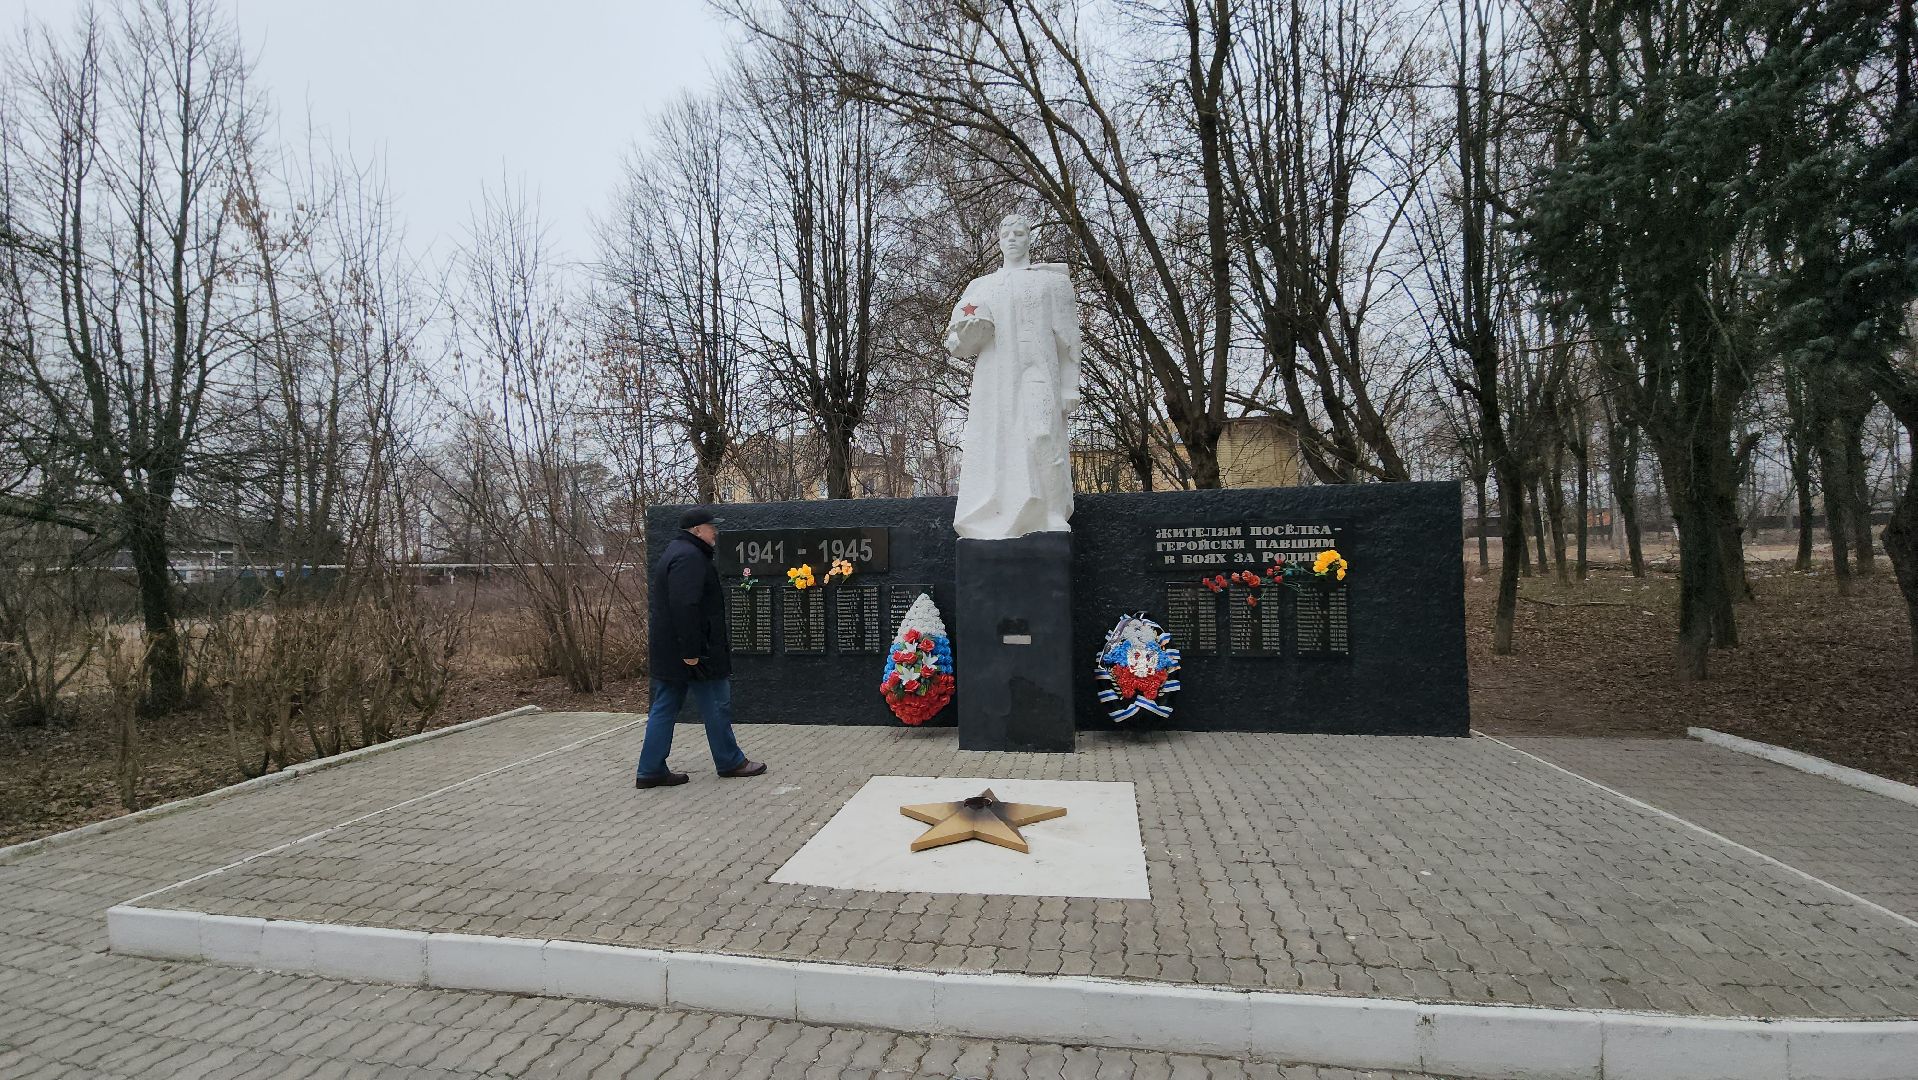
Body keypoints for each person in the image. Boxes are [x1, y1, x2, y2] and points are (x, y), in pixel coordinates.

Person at [636, 506, 767, 788]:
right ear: (697, 531)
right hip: (697, 653)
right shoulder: (689, 557)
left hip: (676, 651)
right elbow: (686, 605)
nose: (715, 532)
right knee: (717, 704)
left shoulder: (679, 552)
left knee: (665, 706)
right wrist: (692, 652)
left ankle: (650, 769)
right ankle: (730, 761)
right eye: (711, 527)